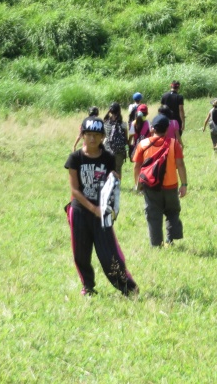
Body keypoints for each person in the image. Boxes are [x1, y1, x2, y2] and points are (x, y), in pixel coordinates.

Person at [65, 116, 138, 297]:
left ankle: (128, 288)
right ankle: (88, 287)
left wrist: (110, 205)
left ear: (103, 137)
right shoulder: (75, 158)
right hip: (80, 211)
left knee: (109, 254)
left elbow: (113, 183)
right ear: (82, 135)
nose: (92, 138)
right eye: (88, 134)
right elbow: (75, 190)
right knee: (81, 254)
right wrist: (93, 209)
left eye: (96, 135)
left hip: (102, 213)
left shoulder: (108, 157)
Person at [133, 114, 188, 247]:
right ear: (167, 129)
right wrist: (184, 184)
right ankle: (170, 239)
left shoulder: (143, 144)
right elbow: (180, 164)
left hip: (150, 186)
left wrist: (137, 185)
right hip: (171, 186)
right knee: (172, 211)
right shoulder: (174, 144)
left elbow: (136, 166)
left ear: (152, 128)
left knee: (153, 215)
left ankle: (156, 244)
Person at [102, 103, 128, 174]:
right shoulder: (123, 124)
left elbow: (104, 136)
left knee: (108, 169)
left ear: (110, 111)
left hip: (108, 149)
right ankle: (117, 182)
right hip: (120, 150)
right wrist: (127, 149)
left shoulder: (105, 123)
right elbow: (126, 138)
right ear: (119, 111)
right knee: (118, 169)